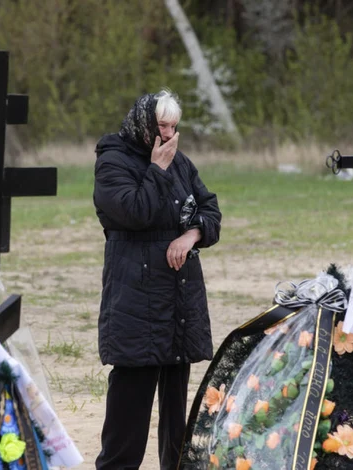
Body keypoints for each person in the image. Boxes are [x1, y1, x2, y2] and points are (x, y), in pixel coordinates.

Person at [93, 89, 222, 470]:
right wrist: (158, 169)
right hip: (136, 298)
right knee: (128, 415)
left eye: (173, 127)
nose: (166, 135)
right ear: (142, 124)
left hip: (178, 299)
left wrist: (192, 234)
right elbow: (135, 212)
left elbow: (211, 211)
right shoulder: (113, 161)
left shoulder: (179, 161)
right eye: (160, 126)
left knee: (177, 422)